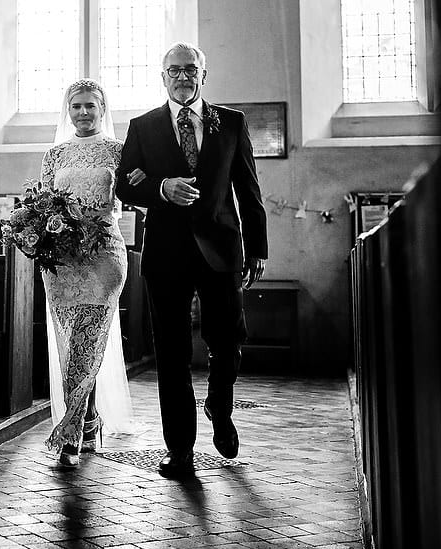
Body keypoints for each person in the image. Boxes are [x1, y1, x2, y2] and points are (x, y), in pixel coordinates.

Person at [115, 42, 268, 478]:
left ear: (204, 74)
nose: (182, 76)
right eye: (174, 70)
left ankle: (220, 404)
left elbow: (248, 189)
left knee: (227, 339)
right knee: (172, 353)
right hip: (165, 252)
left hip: (222, 248)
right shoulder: (143, 126)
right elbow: (126, 184)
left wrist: (257, 247)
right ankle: (179, 449)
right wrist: (161, 188)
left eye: (190, 69)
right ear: (162, 77)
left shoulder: (231, 122)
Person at [38, 79, 139, 468]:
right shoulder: (54, 154)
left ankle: (71, 433)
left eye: (90, 106)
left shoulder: (118, 151)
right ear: (68, 110)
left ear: (102, 109)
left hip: (104, 255)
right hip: (62, 258)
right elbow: (44, 203)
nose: (83, 112)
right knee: (70, 339)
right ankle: (91, 418)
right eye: (76, 106)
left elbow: (131, 196)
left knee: (90, 334)